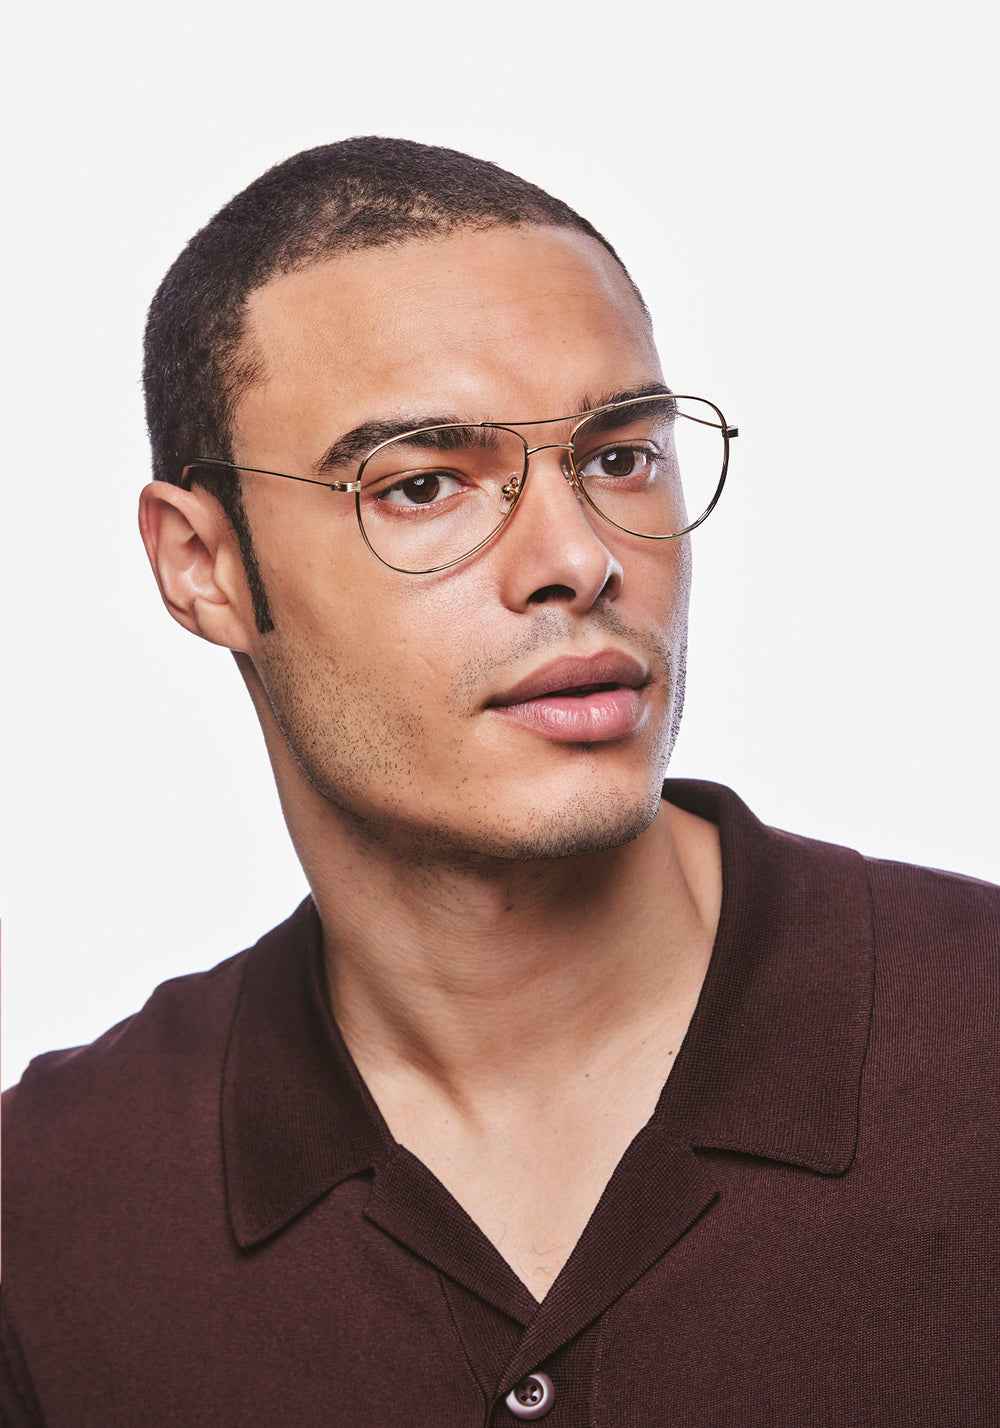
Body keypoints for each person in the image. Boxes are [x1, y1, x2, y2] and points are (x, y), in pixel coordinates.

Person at [3, 138, 997, 1427]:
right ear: (204, 566)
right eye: (423, 486)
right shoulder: (52, 1214)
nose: (577, 558)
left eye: (619, 457)